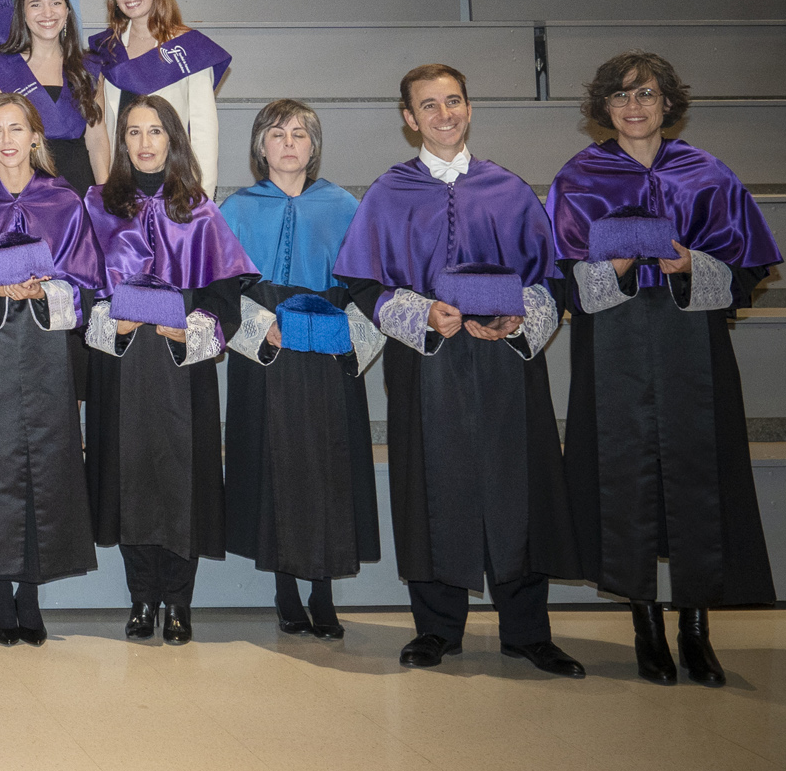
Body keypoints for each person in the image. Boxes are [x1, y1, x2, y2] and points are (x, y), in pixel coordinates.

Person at [334, 64, 586, 678]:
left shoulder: (510, 190)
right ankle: (437, 628)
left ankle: (527, 631)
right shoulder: (387, 194)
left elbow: (551, 277)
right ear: (409, 118)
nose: (443, 114)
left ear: (469, 108)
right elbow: (363, 284)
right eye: (428, 105)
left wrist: (518, 317)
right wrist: (421, 312)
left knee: (517, 486)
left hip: (505, 359)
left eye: (453, 102)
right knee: (430, 483)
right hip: (428, 358)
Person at [547, 51, 779, 687]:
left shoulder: (707, 174)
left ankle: (695, 630)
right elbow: (562, 276)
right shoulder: (580, 178)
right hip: (614, 343)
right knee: (625, 479)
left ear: (668, 102)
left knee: (698, 475)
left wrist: (690, 264)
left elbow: (749, 268)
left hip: (690, 342)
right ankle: (645, 623)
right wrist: (616, 266)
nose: (634, 106)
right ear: (604, 107)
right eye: (621, 96)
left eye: (646, 93)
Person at [81, 95, 257, 647]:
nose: (144, 142)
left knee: (182, 480)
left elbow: (225, 298)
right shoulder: (98, 205)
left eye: (155, 131)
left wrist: (194, 329)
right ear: (122, 142)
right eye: (133, 132)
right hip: (123, 361)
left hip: (182, 366)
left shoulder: (201, 211)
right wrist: (112, 323)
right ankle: (141, 598)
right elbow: (83, 285)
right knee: (129, 474)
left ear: (173, 140)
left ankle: (179, 601)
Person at [0, 92, 104, 647]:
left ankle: (29, 593)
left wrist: (44, 290)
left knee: (45, 463)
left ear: (35, 137)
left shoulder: (64, 201)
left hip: (46, 350)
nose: (7, 141)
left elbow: (88, 286)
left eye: (16, 129)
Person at [218, 100, 378, 642]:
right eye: (277, 133)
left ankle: (323, 593)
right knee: (274, 464)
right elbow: (221, 291)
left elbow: (367, 287)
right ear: (260, 147)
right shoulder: (236, 210)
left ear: (314, 147)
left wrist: (346, 334)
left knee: (328, 464)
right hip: (266, 352)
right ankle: (286, 590)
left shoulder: (344, 206)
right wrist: (259, 326)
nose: (288, 143)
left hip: (326, 352)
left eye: (300, 134)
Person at [92, 0, 229, 197]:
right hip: (123, 181)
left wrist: (202, 197)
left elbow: (204, 131)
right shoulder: (108, 48)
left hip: (174, 183)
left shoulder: (188, 47)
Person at [0, 0, 110, 192]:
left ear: (67, 11)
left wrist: (103, 192)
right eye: (36, 5)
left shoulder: (89, 67)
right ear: (23, 14)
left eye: (56, 3)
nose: (47, 12)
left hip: (78, 186)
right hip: (23, 189)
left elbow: (96, 138)